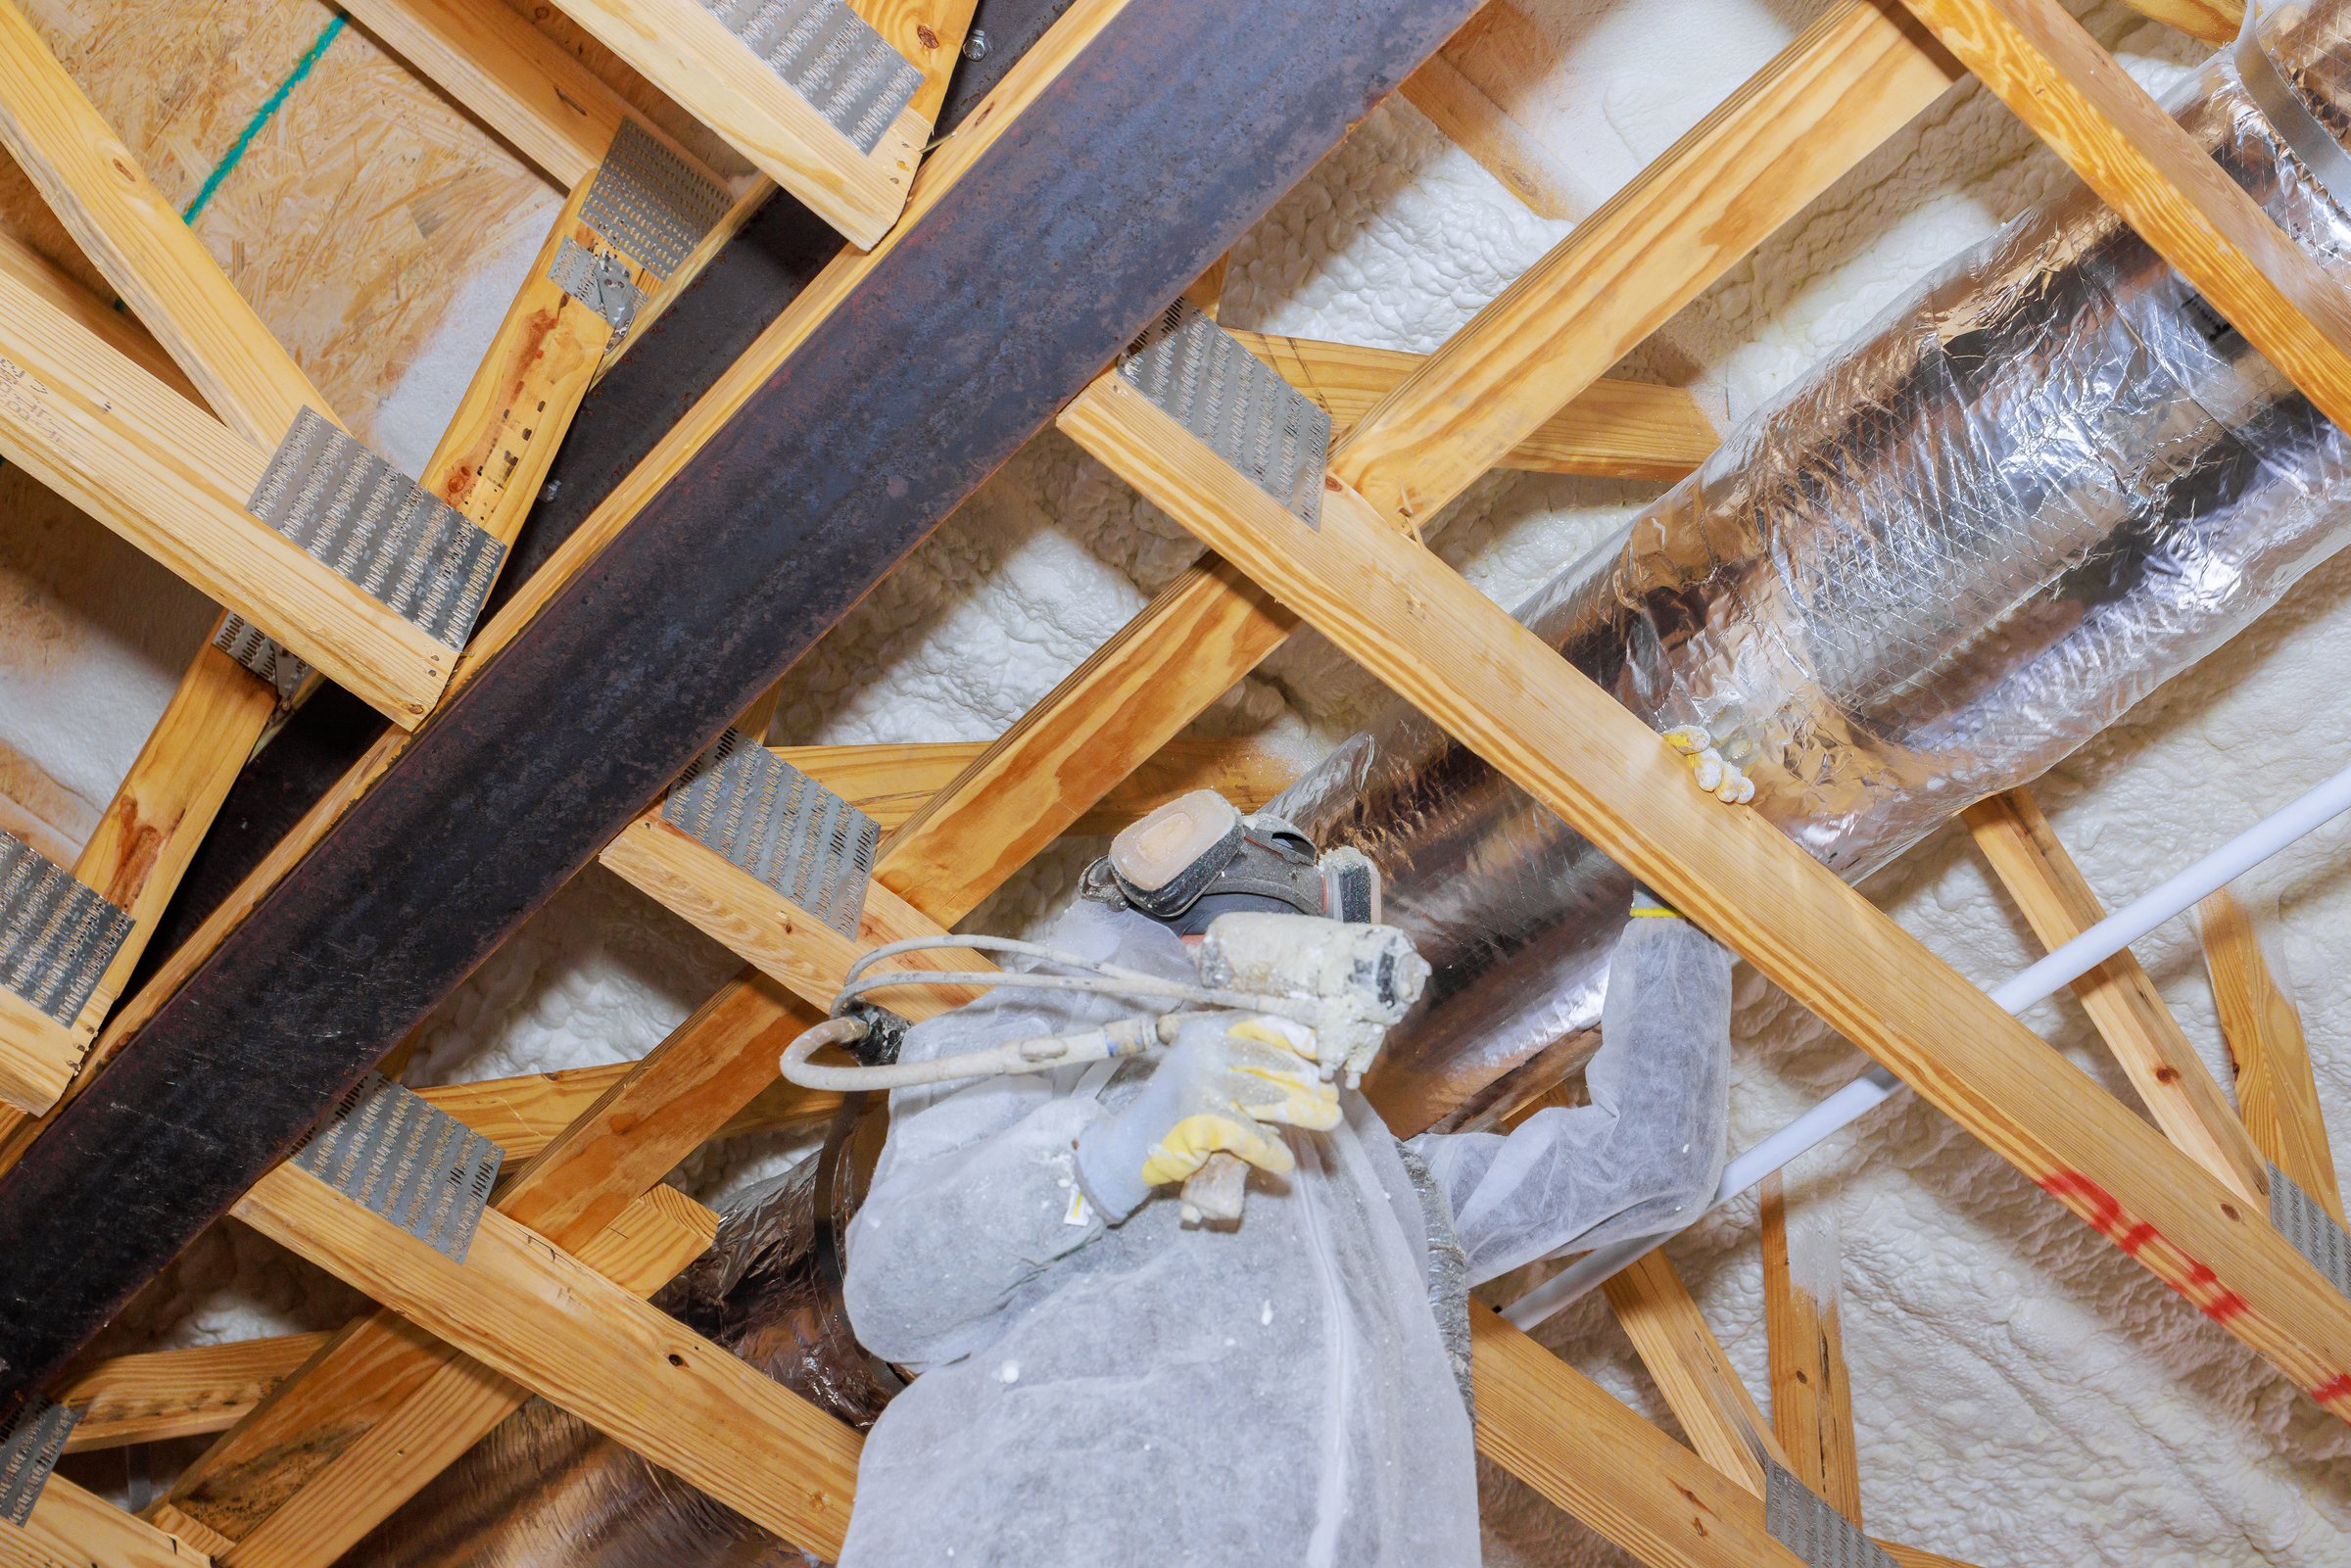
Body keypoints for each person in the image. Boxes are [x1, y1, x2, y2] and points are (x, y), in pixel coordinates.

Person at [837, 737, 1747, 1566]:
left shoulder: (1387, 1196)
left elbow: (1649, 1160)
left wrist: (1685, 896)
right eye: (1202, 941)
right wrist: (1115, 1154)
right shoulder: (1034, 1055)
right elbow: (894, 1296)